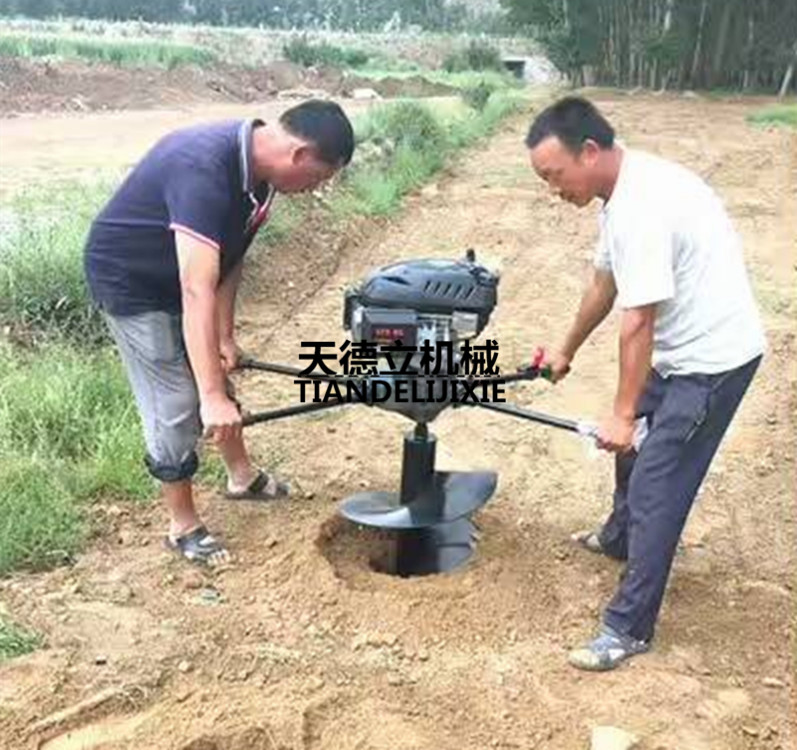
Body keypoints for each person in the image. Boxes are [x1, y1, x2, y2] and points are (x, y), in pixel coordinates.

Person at [525, 97, 765, 670]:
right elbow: (603, 285)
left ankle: (629, 627)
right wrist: (565, 349)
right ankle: (619, 537)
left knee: (658, 484)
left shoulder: (642, 207)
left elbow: (638, 320)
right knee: (631, 455)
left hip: (712, 362)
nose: (553, 190)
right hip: (682, 351)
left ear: (589, 151)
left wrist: (623, 414)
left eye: (554, 175)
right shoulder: (621, 193)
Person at [84, 100, 355, 566]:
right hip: (133, 281)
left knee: (215, 376)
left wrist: (223, 338)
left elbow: (231, 256)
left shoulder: (261, 178)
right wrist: (208, 396)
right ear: (299, 155)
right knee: (175, 402)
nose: (313, 190)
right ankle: (182, 525)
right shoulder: (202, 169)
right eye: (316, 179)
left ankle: (241, 477)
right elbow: (196, 288)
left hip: (183, 277)